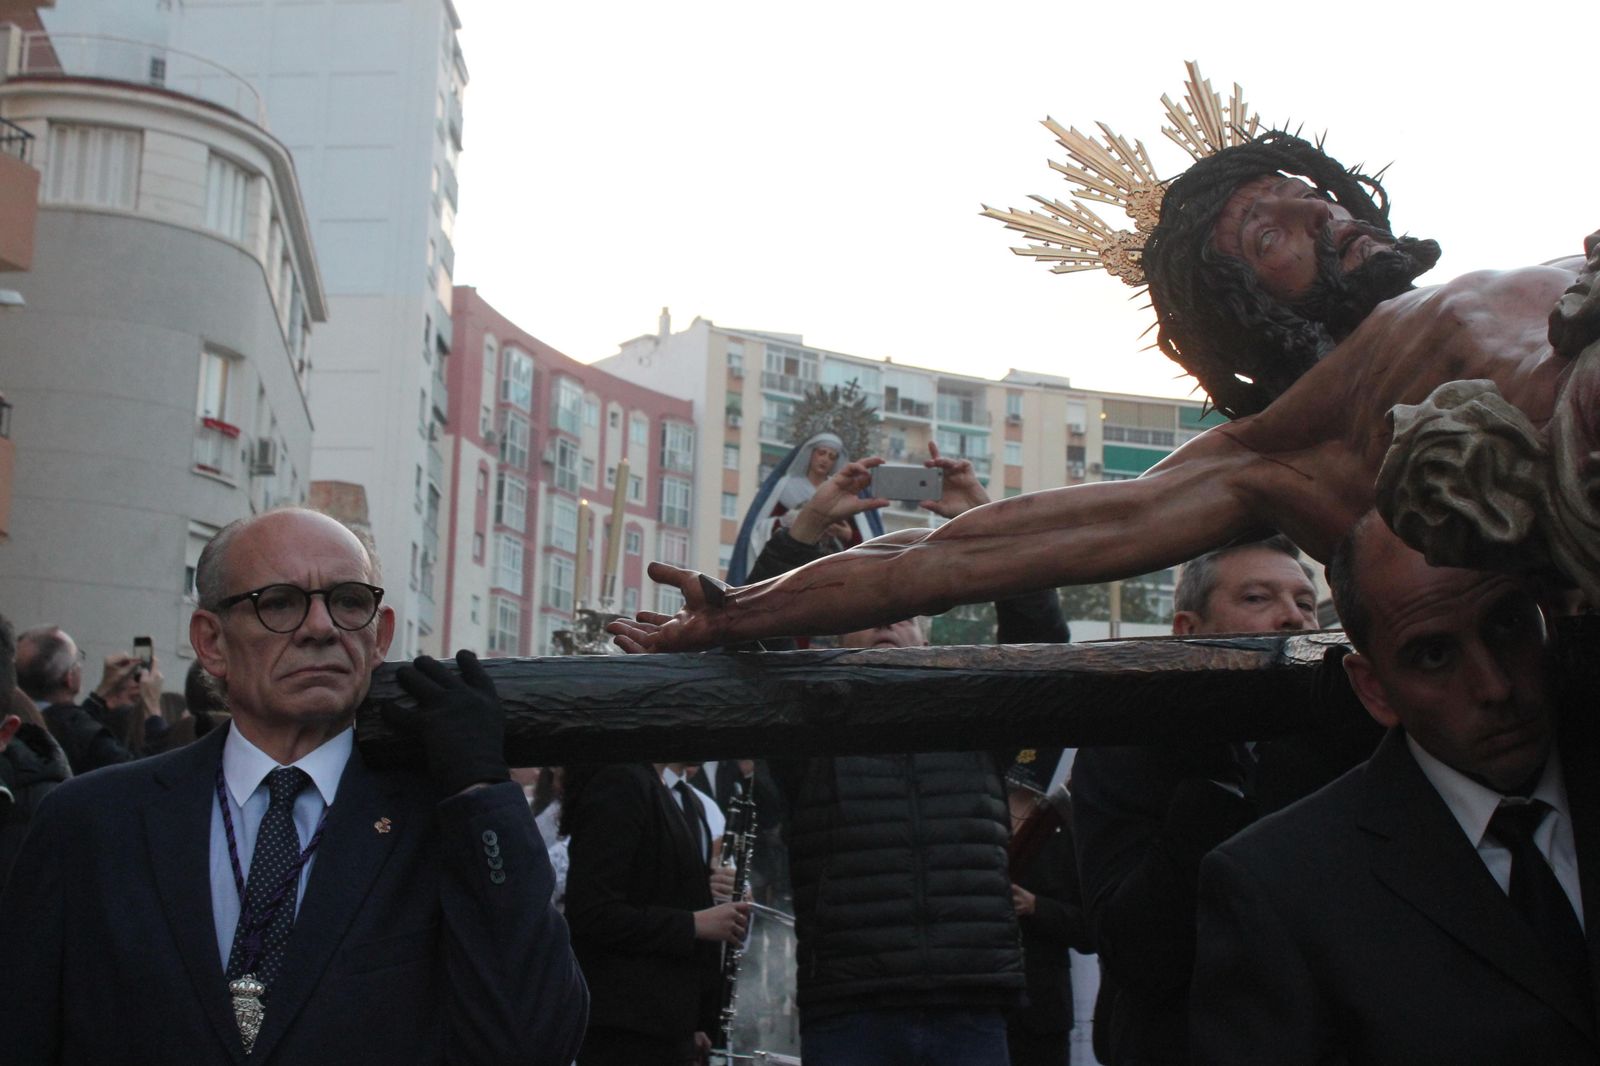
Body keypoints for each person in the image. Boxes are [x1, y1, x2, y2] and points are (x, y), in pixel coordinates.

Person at [608, 130, 1600, 654]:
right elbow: (964, 550)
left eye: (1312, 195)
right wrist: (740, 609)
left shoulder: (1537, 265)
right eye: (1267, 233)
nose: (1312, 210)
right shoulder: (1294, 442)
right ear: (1249, 313)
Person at [0, 507, 588, 1064]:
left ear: (379, 637)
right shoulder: (92, 821)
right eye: (277, 603)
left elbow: (533, 1042)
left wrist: (482, 791)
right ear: (210, 641)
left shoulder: (443, 821)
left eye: (348, 602)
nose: (319, 627)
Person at [1190, 512, 1600, 1064]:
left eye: (1506, 625)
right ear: (1374, 689)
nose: (1494, 686)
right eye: (1434, 655)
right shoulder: (1280, 887)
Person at [726, 446, 1064, 1066]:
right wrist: (808, 521)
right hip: (852, 1005)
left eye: (904, 612)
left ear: (927, 634)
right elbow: (752, 628)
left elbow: (1039, 637)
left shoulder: (972, 719)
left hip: (971, 999)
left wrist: (982, 520)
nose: (889, 620)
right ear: (836, 634)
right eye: (872, 610)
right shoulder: (811, 727)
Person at [1071, 537, 1380, 1064]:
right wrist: (1210, 786)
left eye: (1305, 603)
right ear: (1188, 631)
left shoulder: (1353, 743)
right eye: (1258, 599)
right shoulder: (1127, 749)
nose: (1294, 620)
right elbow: (1138, 954)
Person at [561, 761, 748, 1066]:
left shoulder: (664, 791)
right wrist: (694, 924)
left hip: (664, 1028)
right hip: (627, 1030)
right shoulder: (620, 781)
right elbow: (593, 912)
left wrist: (697, 1020)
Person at [1004, 759, 1090, 1066]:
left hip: (1043, 1013)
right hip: (986, 1009)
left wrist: (1036, 906)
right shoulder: (981, 821)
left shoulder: (1059, 832)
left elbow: (1089, 929)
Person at [15, 624, 148, 773]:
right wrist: (152, 706)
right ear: (70, 678)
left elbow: (67, 720)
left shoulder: (12, 723)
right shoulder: (91, 740)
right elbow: (144, 776)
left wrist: (101, 696)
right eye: (78, 658)